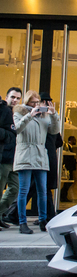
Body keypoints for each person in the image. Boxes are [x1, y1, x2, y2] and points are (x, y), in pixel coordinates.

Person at [13, 90, 60, 234]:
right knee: (24, 190)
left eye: (37, 102)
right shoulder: (18, 113)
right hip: (25, 154)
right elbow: (18, 129)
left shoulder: (44, 115)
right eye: (33, 102)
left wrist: (54, 115)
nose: (36, 105)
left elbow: (54, 131)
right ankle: (22, 222)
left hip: (40, 155)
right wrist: (30, 114)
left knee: (42, 190)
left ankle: (43, 220)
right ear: (27, 102)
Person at [0, 87, 21, 228]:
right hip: (3, 157)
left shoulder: (16, 113)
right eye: (13, 97)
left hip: (14, 158)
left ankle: (1, 212)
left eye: (18, 98)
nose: (15, 100)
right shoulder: (3, 110)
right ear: (6, 97)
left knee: (15, 188)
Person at [60, 135, 77, 202]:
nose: (75, 141)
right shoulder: (67, 147)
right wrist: (76, 161)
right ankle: (62, 196)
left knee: (69, 182)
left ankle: (63, 195)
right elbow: (68, 158)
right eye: (74, 140)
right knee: (68, 182)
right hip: (68, 167)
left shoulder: (70, 147)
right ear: (70, 140)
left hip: (70, 167)